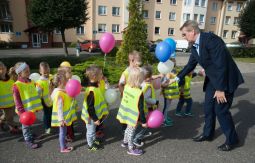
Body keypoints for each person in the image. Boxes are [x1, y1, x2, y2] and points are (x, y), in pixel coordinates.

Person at [170, 20, 244, 151]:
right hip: (213, 78)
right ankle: (207, 134)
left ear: (192, 32)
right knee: (208, 107)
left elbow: (221, 65)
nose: (183, 37)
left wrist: (221, 89)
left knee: (221, 110)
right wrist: (176, 78)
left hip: (225, 79)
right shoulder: (194, 46)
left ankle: (233, 140)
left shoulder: (211, 40)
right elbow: (190, 66)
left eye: (184, 34)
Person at [116, 67, 147, 156]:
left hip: (126, 113)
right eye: (142, 78)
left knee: (128, 129)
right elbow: (140, 108)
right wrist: (143, 121)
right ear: (139, 79)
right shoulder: (139, 92)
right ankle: (131, 148)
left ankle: (125, 142)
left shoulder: (126, 87)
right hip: (133, 116)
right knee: (131, 131)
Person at [12, 62, 43, 149]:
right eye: (26, 71)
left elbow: (33, 94)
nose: (29, 72)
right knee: (25, 126)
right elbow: (17, 101)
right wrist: (22, 112)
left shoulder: (31, 81)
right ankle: (28, 140)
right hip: (23, 111)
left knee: (30, 123)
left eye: (29, 70)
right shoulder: (17, 85)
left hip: (31, 108)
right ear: (19, 73)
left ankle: (31, 134)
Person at [81, 65, 109, 151]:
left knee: (92, 130)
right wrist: (96, 119)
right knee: (90, 131)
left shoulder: (96, 87)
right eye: (100, 74)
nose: (102, 75)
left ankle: (93, 141)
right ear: (94, 76)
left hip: (94, 116)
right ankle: (90, 145)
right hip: (91, 117)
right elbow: (90, 108)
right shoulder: (91, 91)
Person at [51, 70, 77, 153]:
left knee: (63, 132)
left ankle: (63, 144)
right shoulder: (59, 94)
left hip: (64, 117)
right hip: (62, 118)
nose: (67, 81)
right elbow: (59, 108)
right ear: (59, 82)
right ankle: (63, 148)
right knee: (62, 132)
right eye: (65, 80)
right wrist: (61, 119)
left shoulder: (60, 91)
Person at [133, 65, 159, 147]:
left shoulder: (140, 83)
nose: (151, 78)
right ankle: (137, 138)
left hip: (139, 108)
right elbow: (146, 98)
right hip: (145, 108)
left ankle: (137, 134)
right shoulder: (147, 86)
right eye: (150, 77)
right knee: (145, 124)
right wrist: (155, 102)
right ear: (146, 77)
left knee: (139, 123)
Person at [118, 51, 142, 134]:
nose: (140, 63)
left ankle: (131, 129)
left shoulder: (138, 70)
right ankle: (125, 130)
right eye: (138, 61)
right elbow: (120, 84)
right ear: (132, 60)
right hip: (128, 98)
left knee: (133, 113)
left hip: (134, 98)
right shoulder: (126, 72)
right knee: (126, 113)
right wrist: (124, 94)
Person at [0, 62, 20, 134]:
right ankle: (13, 128)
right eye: (0, 69)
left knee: (7, 115)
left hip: (11, 102)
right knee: (10, 117)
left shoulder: (10, 80)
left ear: (6, 68)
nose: (2, 70)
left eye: (3, 68)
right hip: (3, 104)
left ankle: (1, 121)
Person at [36, 62, 53, 134]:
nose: (47, 74)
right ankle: (47, 127)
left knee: (52, 112)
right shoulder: (39, 82)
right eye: (44, 73)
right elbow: (38, 93)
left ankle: (51, 124)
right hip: (44, 101)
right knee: (47, 114)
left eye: (48, 72)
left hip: (53, 99)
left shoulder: (51, 77)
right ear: (40, 72)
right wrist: (39, 103)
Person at [59, 61, 75, 142]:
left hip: (70, 106)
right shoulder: (63, 84)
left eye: (70, 72)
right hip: (65, 108)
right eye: (69, 72)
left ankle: (70, 135)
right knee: (67, 122)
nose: (71, 73)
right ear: (64, 75)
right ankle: (68, 135)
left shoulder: (71, 81)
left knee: (70, 122)